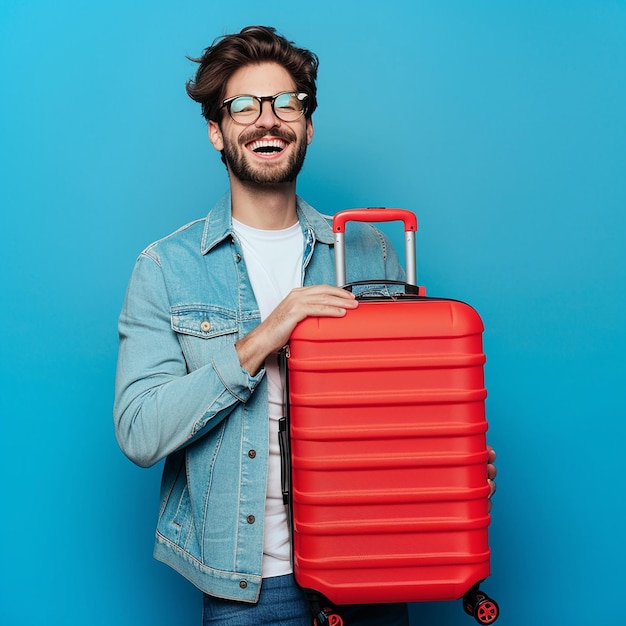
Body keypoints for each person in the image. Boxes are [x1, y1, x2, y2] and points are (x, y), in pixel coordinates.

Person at [114, 25, 497, 626]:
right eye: (243, 106)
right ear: (217, 131)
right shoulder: (167, 269)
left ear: (307, 125)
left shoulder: (368, 251)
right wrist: (266, 336)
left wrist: (449, 460)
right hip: (249, 588)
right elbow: (139, 432)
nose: (267, 120)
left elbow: (401, 405)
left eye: (285, 103)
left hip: (367, 567)